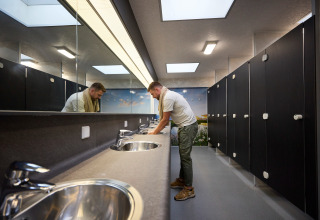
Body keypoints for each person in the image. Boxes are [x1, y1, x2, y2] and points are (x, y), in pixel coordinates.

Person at [148, 82, 198, 201]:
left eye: (152, 94)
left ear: (157, 89)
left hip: (188, 127)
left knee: (185, 157)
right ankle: (182, 180)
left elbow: (165, 120)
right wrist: (155, 131)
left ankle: (189, 189)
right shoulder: (167, 95)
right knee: (183, 155)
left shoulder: (168, 97)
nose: (153, 96)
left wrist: (154, 132)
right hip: (185, 126)